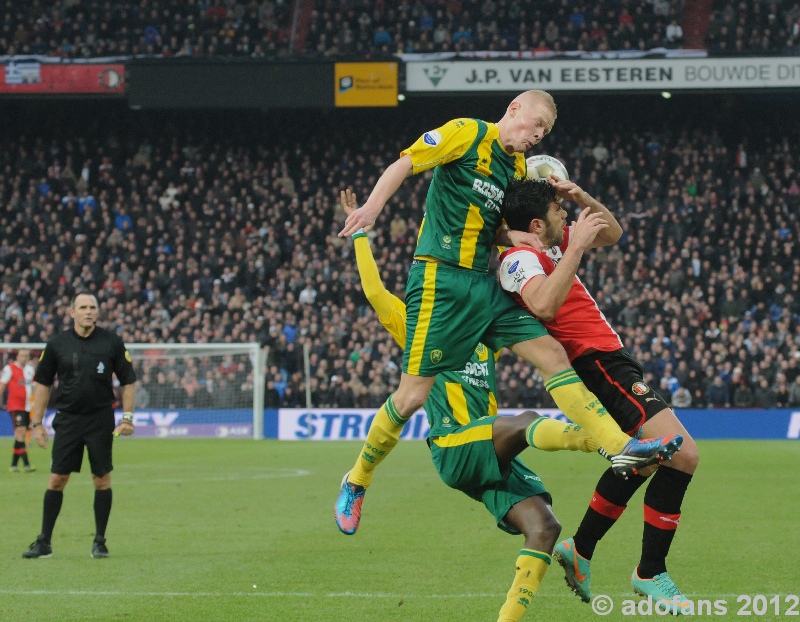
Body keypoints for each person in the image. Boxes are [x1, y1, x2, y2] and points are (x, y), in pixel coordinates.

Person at [335, 90, 682, 538]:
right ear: (513, 110)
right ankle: (358, 478)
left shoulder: (516, 168)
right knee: (411, 398)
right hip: (441, 282)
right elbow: (406, 162)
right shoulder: (466, 132)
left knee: (552, 353)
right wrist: (373, 208)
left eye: (545, 132)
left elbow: (490, 224)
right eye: (534, 124)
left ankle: (622, 446)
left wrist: (513, 237)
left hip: (483, 282)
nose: (536, 135)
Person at [337, 189, 606, 621]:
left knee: (545, 528)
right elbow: (374, 291)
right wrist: (360, 234)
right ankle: (604, 443)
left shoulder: (487, 329)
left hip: (487, 453)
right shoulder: (420, 328)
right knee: (526, 422)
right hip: (454, 446)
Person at [499, 176, 699, 612]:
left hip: (611, 358)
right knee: (682, 455)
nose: (565, 216)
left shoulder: (546, 243)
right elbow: (545, 306)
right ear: (535, 223)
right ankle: (650, 572)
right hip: (595, 364)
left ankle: (581, 549)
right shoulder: (517, 260)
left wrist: (579, 196)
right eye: (557, 211)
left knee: (643, 462)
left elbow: (611, 233)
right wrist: (572, 248)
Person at [22, 292, 137, 559]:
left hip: (100, 420)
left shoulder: (112, 342)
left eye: (92, 307)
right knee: (57, 479)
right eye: (83, 307)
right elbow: (43, 384)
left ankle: (99, 541)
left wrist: (127, 417)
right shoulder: (57, 344)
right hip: (68, 420)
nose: (88, 311)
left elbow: (128, 380)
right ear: (72, 312)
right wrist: (36, 423)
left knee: (102, 479)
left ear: (98, 312)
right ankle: (44, 542)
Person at [0, 349, 36, 472]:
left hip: (27, 407)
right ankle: (27, 465)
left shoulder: (30, 370)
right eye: (21, 356)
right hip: (15, 406)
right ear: (17, 356)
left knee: (20, 435)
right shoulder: (9, 369)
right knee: (20, 433)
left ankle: (14, 465)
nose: (24, 358)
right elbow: (2, 385)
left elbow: (34, 387)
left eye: (26, 356)